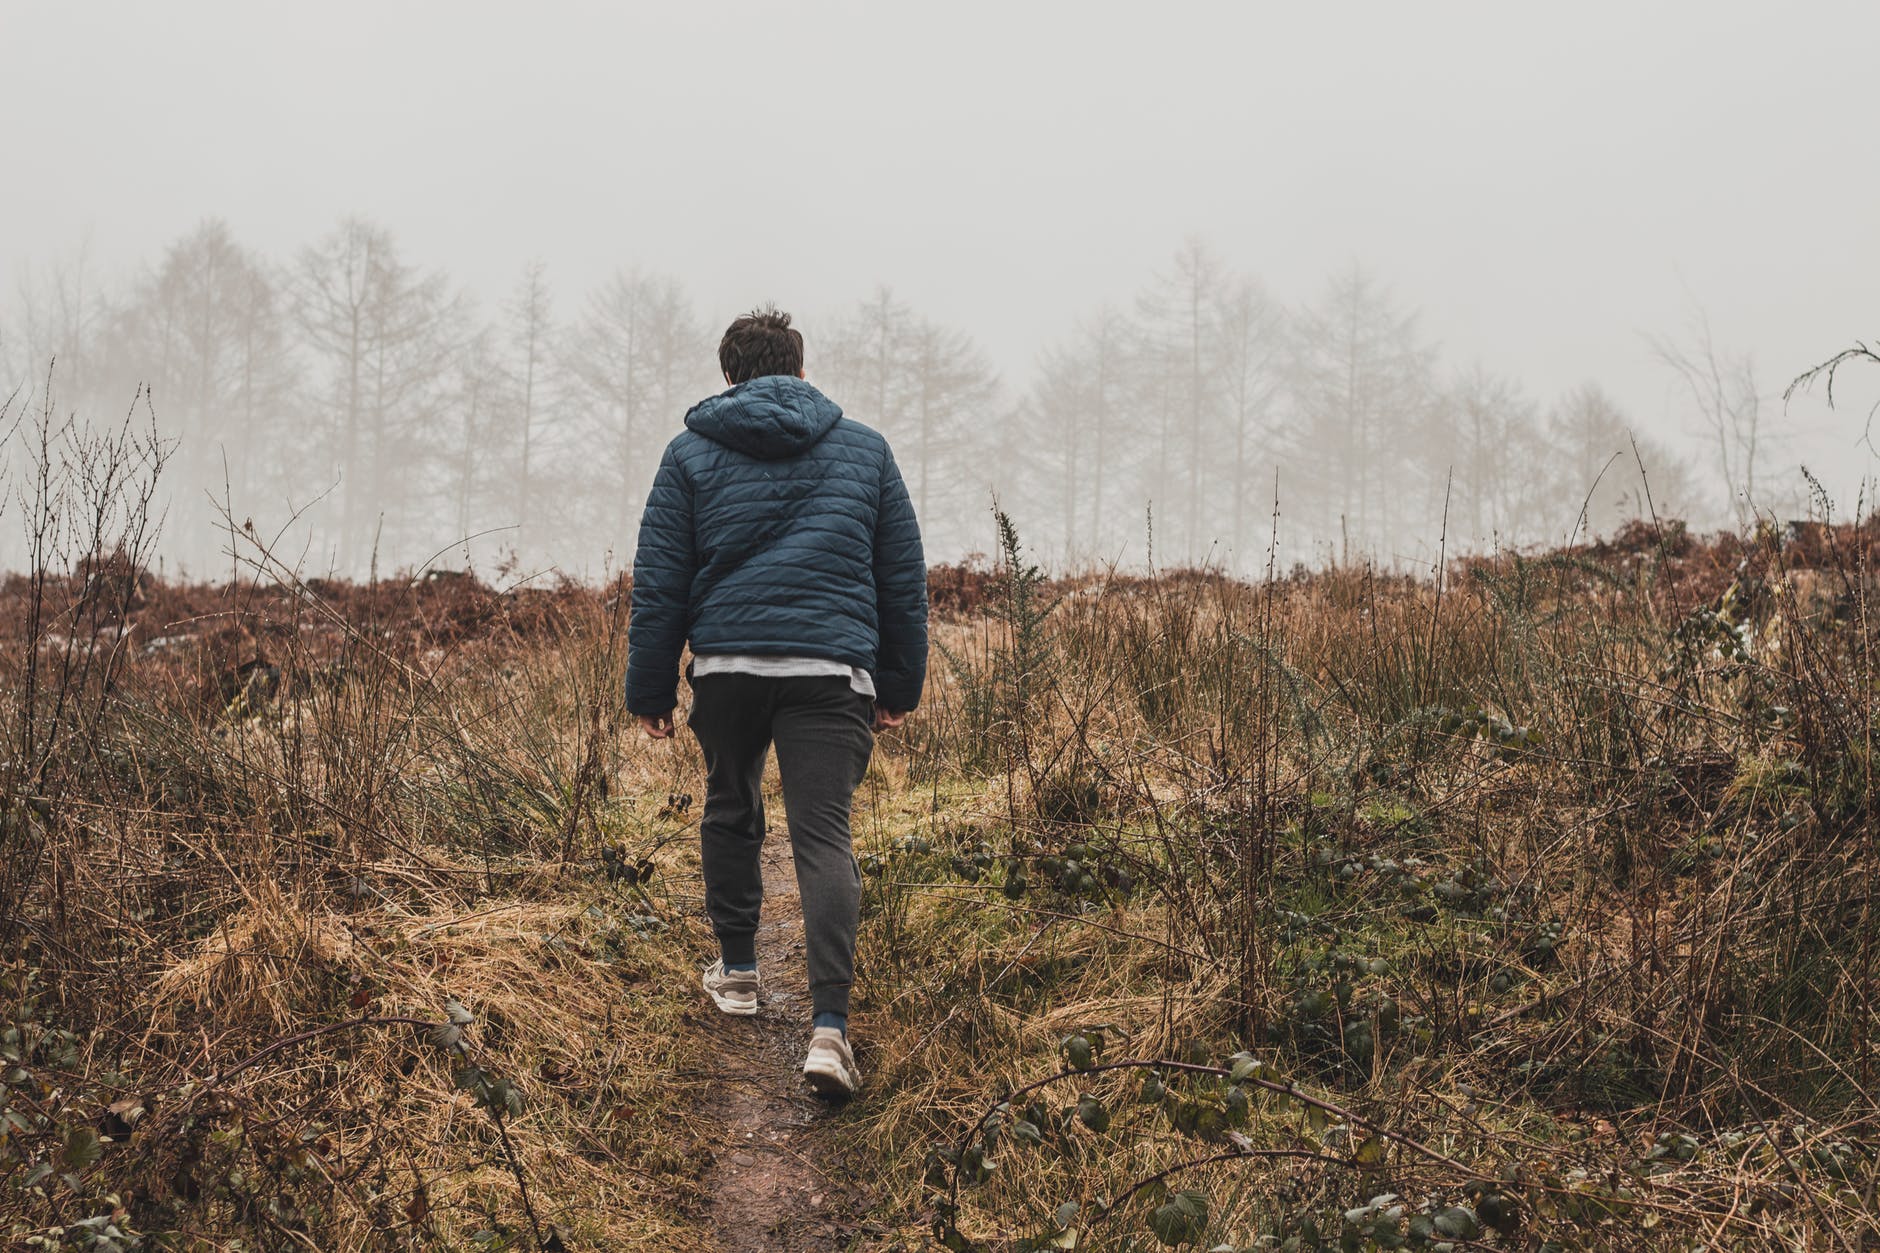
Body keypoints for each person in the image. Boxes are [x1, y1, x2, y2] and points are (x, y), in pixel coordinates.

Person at [624, 306, 928, 1098]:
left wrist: (651, 687)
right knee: (823, 833)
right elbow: (902, 577)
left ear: (728, 377)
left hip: (726, 665)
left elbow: (660, 579)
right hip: (830, 670)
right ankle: (830, 1030)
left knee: (731, 803)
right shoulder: (866, 450)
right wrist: (899, 684)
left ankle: (739, 972)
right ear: (798, 369)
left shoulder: (689, 454)